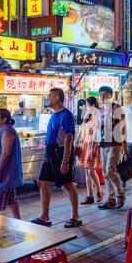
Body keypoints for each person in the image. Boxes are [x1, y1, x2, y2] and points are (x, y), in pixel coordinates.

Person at [32, 88, 81, 228]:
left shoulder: (66, 115)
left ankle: (76, 216)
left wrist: (65, 160)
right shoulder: (53, 115)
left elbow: (68, 138)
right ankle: (45, 215)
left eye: (50, 96)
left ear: (58, 98)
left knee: (68, 184)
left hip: (61, 152)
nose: (48, 99)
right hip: (50, 152)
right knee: (42, 181)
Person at [97, 86, 128, 210]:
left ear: (111, 95)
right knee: (105, 172)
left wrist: (124, 144)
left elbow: (123, 127)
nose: (102, 97)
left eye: (105, 94)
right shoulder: (100, 110)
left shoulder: (117, 108)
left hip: (115, 143)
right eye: (100, 94)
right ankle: (111, 199)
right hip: (103, 143)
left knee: (110, 169)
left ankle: (120, 194)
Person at [0, 109, 23, 219]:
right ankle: (18, 221)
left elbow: (5, 154)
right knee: (11, 198)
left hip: (5, 173)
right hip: (6, 174)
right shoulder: (3, 131)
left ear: (4, 119)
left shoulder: (7, 132)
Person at [74, 97, 103, 205]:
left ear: (93, 105)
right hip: (85, 144)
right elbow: (82, 128)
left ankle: (99, 191)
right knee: (87, 171)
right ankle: (89, 195)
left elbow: (97, 133)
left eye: (87, 105)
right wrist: (77, 140)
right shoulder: (88, 116)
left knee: (91, 170)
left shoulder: (98, 116)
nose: (86, 107)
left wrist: (93, 148)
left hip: (92, 144)